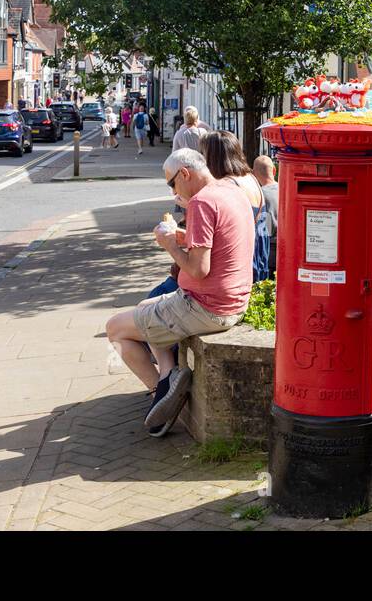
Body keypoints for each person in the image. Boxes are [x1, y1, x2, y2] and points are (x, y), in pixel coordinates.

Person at [104, 148, 254, 436]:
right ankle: (168, 374)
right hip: (233, 300)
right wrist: (185, 237)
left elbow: (198, 270)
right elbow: (218, 245)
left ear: (185, 173)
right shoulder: (231, 190)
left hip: (205, 306)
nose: (173, 190)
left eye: (172, 183)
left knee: (115, 329)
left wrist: (170, 245)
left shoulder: (202, 202)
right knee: (147, 304)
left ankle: (160, 393)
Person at [201, 131, 270, 282]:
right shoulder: (250, 177)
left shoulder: (229, 184)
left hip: (243, 254)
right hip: (260, 249)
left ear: (213, 157)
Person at [253, 155, 278, 276]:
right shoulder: (286, 189)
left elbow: (266, 230)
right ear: (274, 170)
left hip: (271, 253)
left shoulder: (260, 196)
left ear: (254, 174)